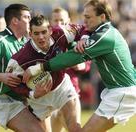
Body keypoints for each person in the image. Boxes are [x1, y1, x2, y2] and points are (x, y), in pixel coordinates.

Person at [23, 0, 136, 132]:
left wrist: (40, 67)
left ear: (102, 17)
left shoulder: (104, 37)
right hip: (118, 92)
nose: (84, 21)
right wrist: (84, 36)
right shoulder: (103, 32)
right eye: (84, 17)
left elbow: (75, 56)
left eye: (88, 17)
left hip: (122, 93)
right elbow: (83, 30)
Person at [6, 14, 90, 132]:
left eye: (44, 32)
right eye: (36, 33)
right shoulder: (20, 58)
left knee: (75, 128)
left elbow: (82, 28)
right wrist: (32, 94)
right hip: (38, 100)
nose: (41, 37)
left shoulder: (61, 33)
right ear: (30, 34)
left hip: (62, 88)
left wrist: (83, 39)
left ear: (50, 30)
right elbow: (11, 82)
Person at [0, 4, 45, 132]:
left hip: (12, 101)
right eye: (27, 17)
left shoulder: (26, 43)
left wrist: (33, 93)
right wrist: (2, 77)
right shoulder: (0, 41)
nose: (31, 20)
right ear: (15, 21)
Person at [50, 7, 92, 132]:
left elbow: (87, 64)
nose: (59, 24)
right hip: (49, 97)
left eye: (62, 21)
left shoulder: (76, 40)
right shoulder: (45, 41)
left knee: (74, 129)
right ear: (50, 22)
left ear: (68, 21)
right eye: (56, 21)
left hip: (70, 93)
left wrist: (79, 65)